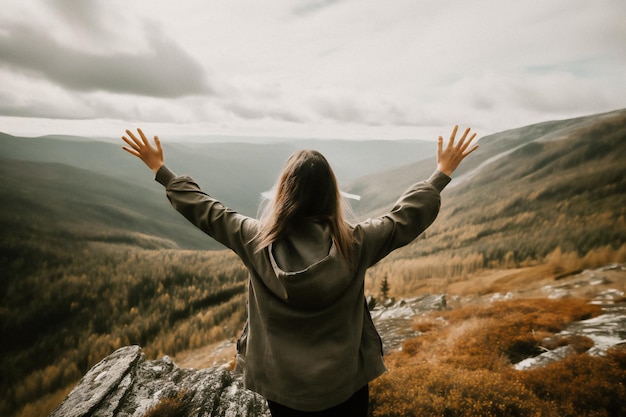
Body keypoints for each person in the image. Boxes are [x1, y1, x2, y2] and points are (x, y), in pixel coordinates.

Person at [122, 126, 477, 416]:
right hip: (344, 383)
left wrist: (162, 171)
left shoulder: (253, 239)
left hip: (284, 387)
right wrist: (441, 173)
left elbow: (206, 210)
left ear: (284, 193)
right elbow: (404, 217)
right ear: (330, 194)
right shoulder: (357, 242)